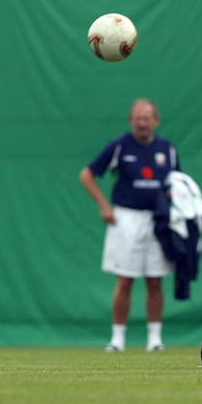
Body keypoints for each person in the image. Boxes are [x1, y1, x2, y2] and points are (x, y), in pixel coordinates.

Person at [79, 99, 179, 352]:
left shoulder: (167, 149)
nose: (142, 123)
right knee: (125, 280)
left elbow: (176, 182)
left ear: (156, 120)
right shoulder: (119, 146)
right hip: (126, 219)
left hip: (157, 220)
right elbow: (87, 174)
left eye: (147, 118)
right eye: (137, 118)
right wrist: (104, 206)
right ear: (130, 120)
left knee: (155, 280)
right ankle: (117, 339)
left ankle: (155, 340)